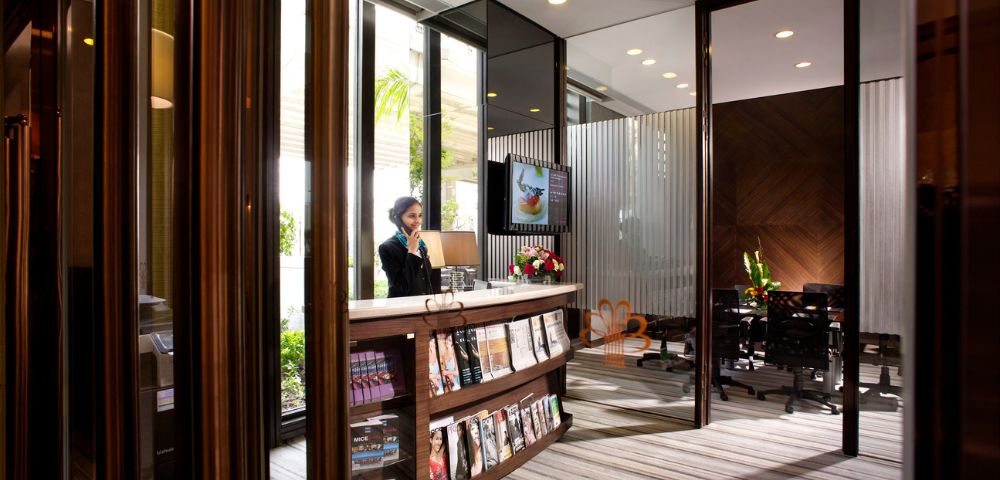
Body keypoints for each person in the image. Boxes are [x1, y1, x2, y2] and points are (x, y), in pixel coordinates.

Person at [378, 197, 435, 298]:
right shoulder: (387, 248)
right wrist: (412, 251)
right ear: (398, 218)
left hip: (423, 306)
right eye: (412, 216)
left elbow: (425, 282)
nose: (418, 221)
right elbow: (401, 288)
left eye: (420, 215)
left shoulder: (421, 245)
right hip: (400, 308)